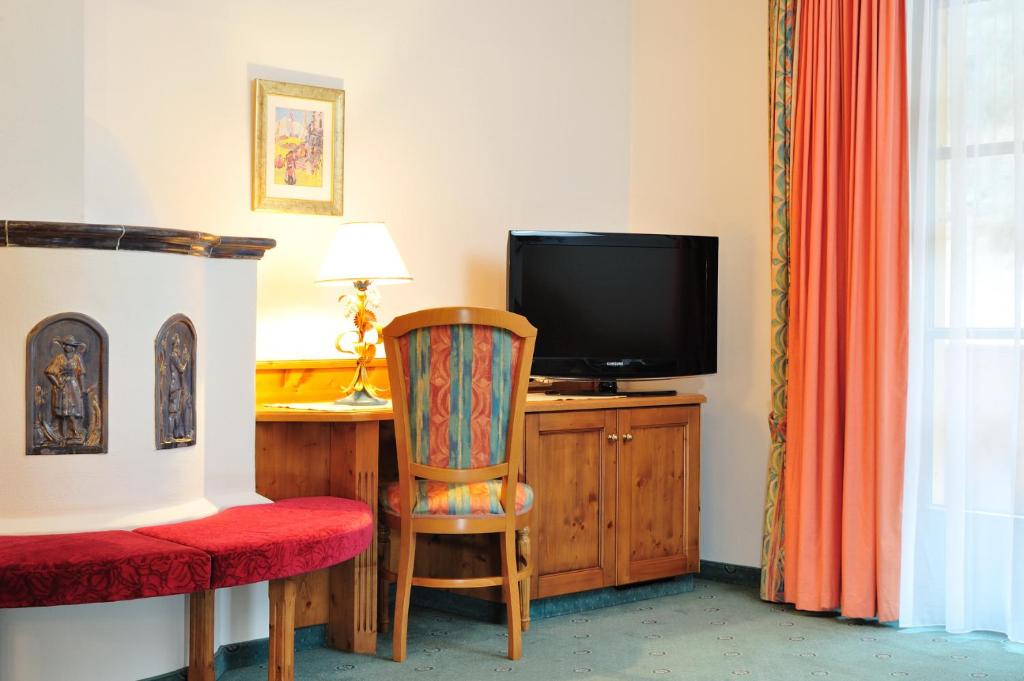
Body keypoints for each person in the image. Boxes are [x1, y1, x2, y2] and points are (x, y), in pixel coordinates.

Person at [45, 336, 87, 444]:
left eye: (72, 345)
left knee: (73, 409)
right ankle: (60, 433)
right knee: (62, 410)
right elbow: (49, 372)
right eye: (67, 345)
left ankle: (74, 432)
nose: (69, 347)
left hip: (73, 386)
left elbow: (81, 374)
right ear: (64, 346)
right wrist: (57, 383)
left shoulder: (77, 358)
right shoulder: (59, 358)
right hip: (62, 386)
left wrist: (82, 388)